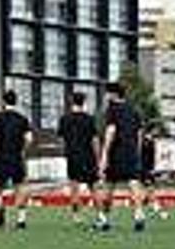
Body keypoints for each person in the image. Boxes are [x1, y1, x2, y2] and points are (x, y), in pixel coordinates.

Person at [96, 82, 146, 232]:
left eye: (107, 93)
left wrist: (104, 154)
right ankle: (139, 214)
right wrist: (136, 151)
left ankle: (104, 219)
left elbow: (111, 130)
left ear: (113, 94)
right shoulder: (134, 110)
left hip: (116, 152)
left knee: (109, 186)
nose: (105, 97)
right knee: (133, 183)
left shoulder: (112, 109)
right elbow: (139, 133)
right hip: (131, 151)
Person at [0, 90, 34, 230]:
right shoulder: (23, 119)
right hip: (17, 157)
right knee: (20, 187)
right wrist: (22, 151)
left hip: (1, 157)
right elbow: (29, 139)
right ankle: (21, 219)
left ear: (3, 102)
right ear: (16, 101)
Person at [57, 92, 100, 224]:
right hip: (88, 156)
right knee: (93, 188)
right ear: (84, 102)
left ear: (71, 101)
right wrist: (98, 158)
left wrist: (66, 150)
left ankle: (76, 216)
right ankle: (100, 215)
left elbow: (61, 139)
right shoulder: (90, 119)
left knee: (74, 188)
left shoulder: (64, 119)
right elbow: (95, 141)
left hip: (72, 156)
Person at [140, 124, 167, 220]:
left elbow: (152, 157)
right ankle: (156, 209)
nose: (158, 132)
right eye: (156, 130)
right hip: (144, 170)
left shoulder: (152, 141)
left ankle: (147, 209)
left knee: (149, 191)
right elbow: (143, 157)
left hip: (149, 169)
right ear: (151, 130)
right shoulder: (144, 141)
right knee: (150, 190)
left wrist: (153, 168)